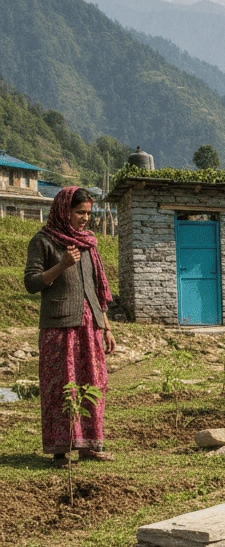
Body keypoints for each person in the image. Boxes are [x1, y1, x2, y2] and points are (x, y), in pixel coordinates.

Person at [24, 187, 116, 465]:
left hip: (90, 328)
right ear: (64, 211)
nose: (85, 218)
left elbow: (96, 290)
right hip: (59, 328)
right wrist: (62, 265)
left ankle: (90, 445)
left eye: (88, 213)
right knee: (62, 385)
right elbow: (31, 283)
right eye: (80, 212)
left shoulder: (88, 244)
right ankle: (60, 449)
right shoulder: (43, 241)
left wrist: (107, 327)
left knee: (93, 383)